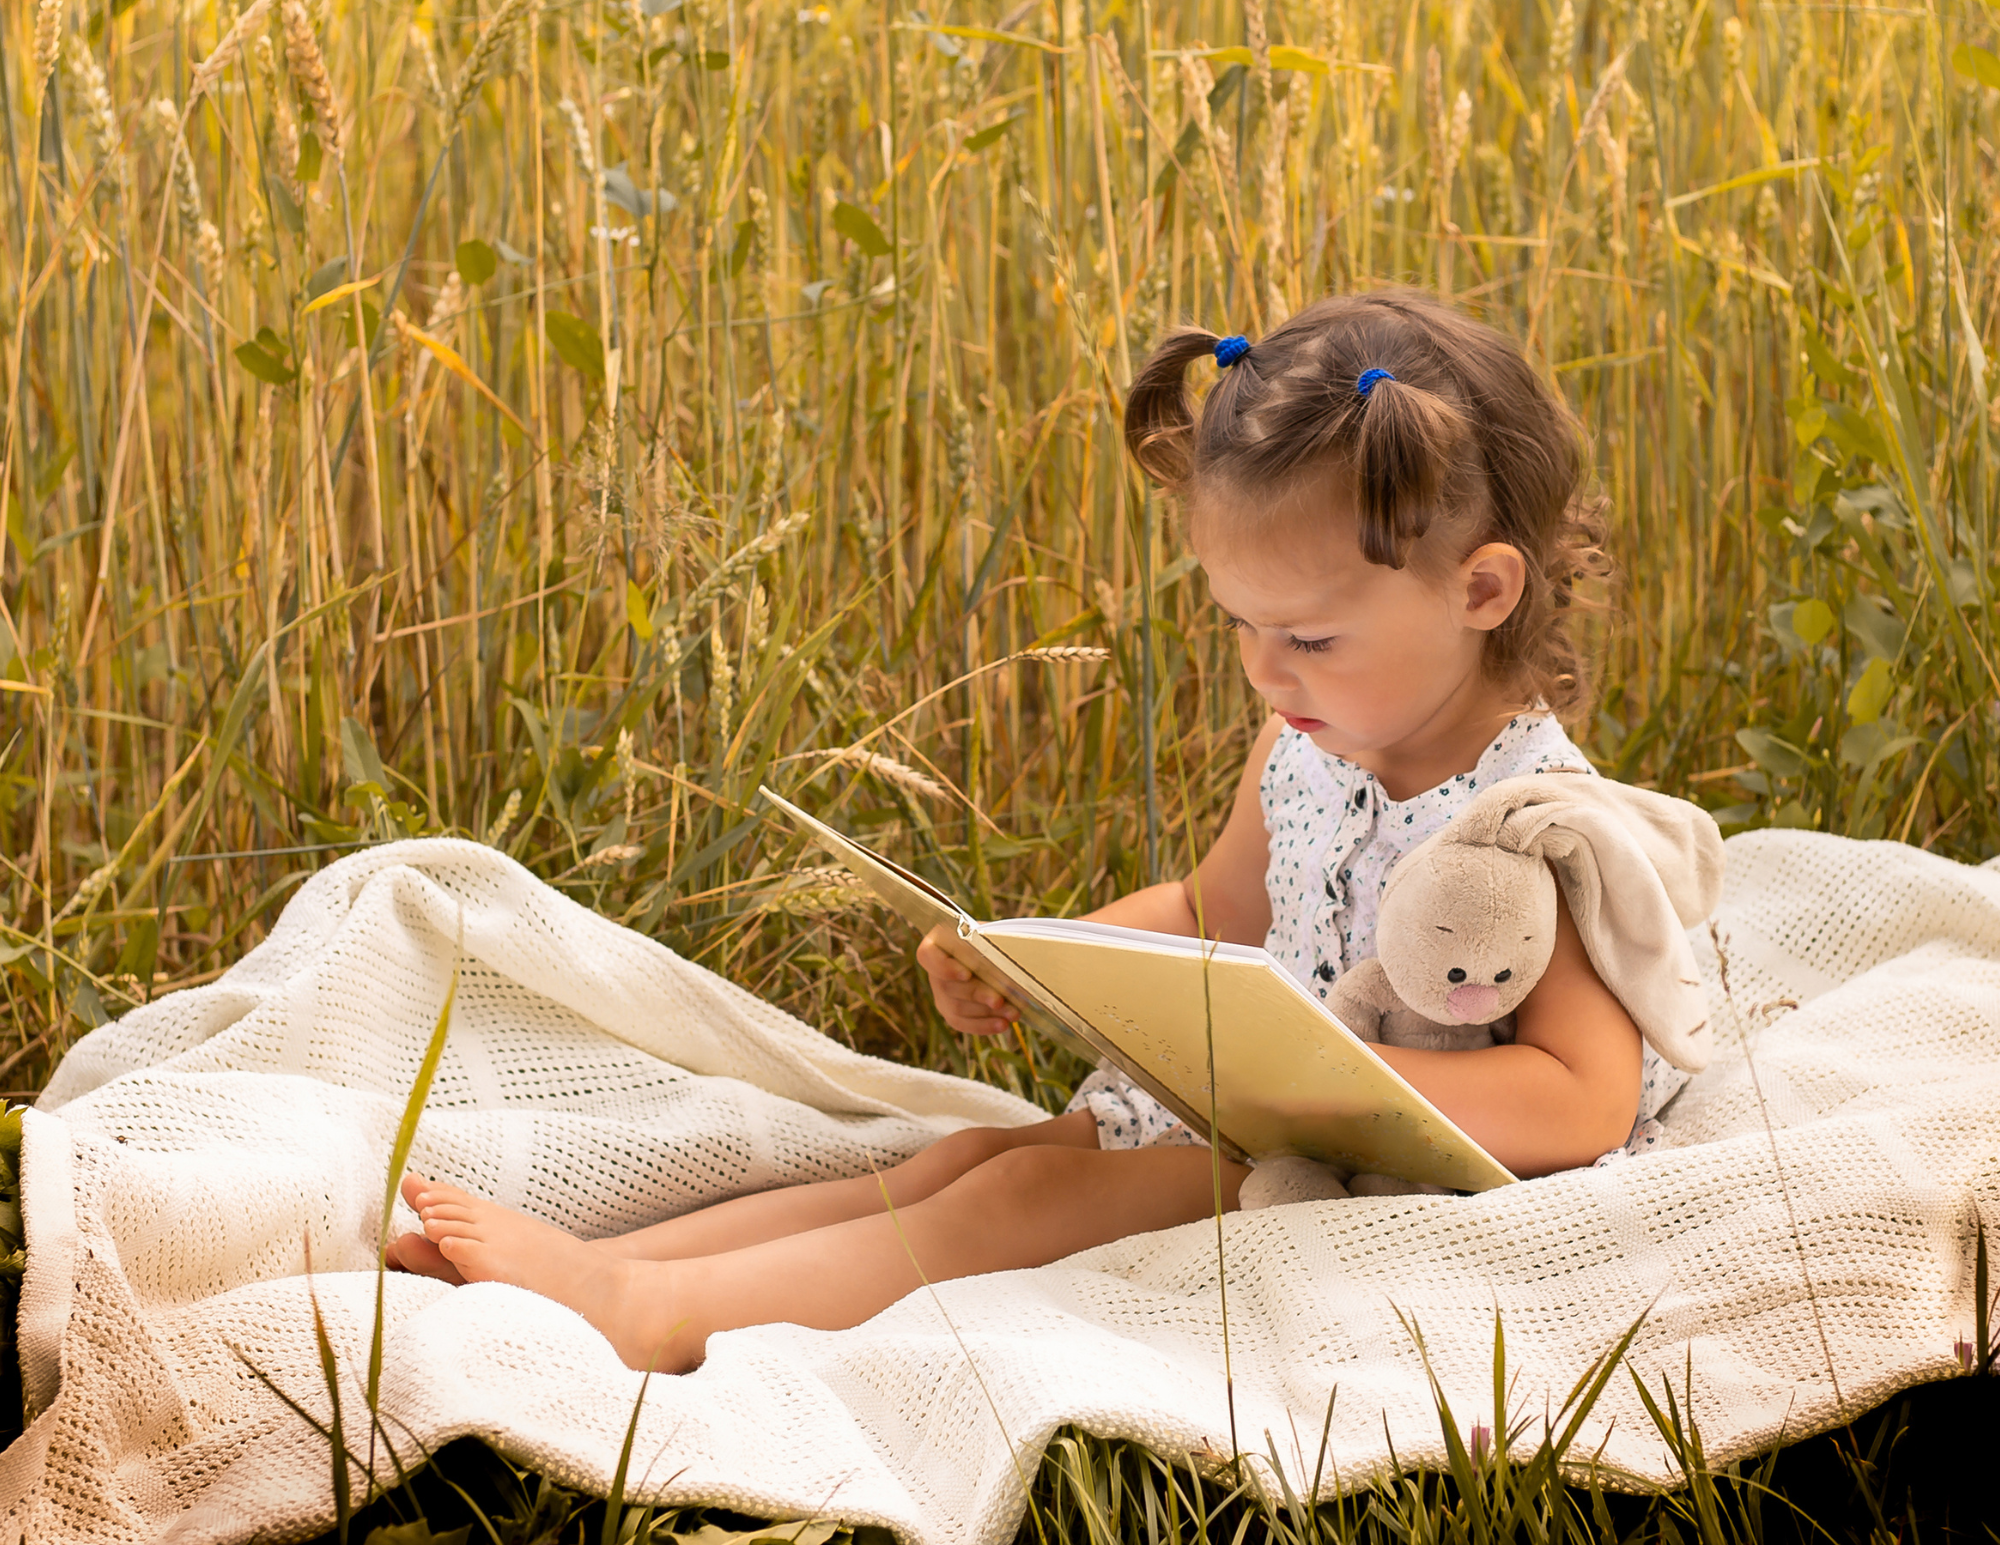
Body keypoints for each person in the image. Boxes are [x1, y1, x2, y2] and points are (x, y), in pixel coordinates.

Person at [389, 289, 1672, 1373]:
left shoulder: (1522, 823)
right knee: (972, 1156)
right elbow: (1211, 911)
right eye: (1240, 626)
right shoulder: (1309, 744)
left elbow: (1581, 1099)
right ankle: (603, 1265)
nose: (1266, 675)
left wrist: (1315, 1092)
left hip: (1360, 1174)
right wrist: (1034, 954)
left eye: (1311, 638)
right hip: (1252, 1116)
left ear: (1479, 590)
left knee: (1024, 1195)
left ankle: (642, 1318)